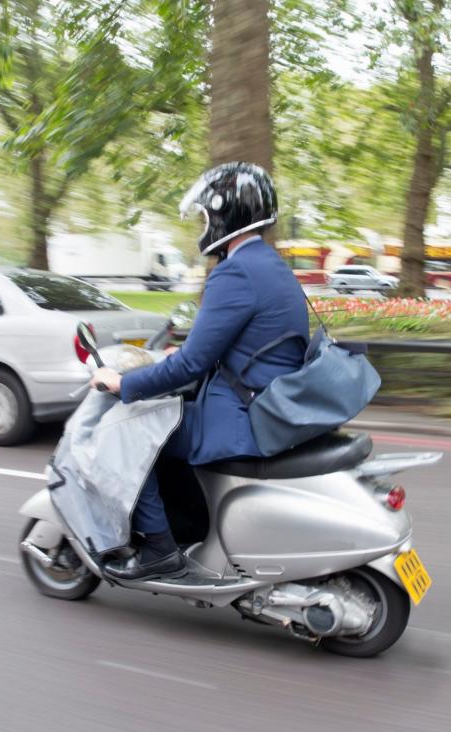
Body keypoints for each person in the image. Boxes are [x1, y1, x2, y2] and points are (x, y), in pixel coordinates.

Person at [89, 162, 309, 581]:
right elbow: (244, 340)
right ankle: (187, 526)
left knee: (128, 432)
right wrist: (184, 350)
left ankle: (158, 548)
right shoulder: (271, 265)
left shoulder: (235, 271)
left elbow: (193, 365)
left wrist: (124, 383)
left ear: (225, 214)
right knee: (164, 428)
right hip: (266, 399)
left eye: (206, 214)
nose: (204, 224)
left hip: (241, 417)